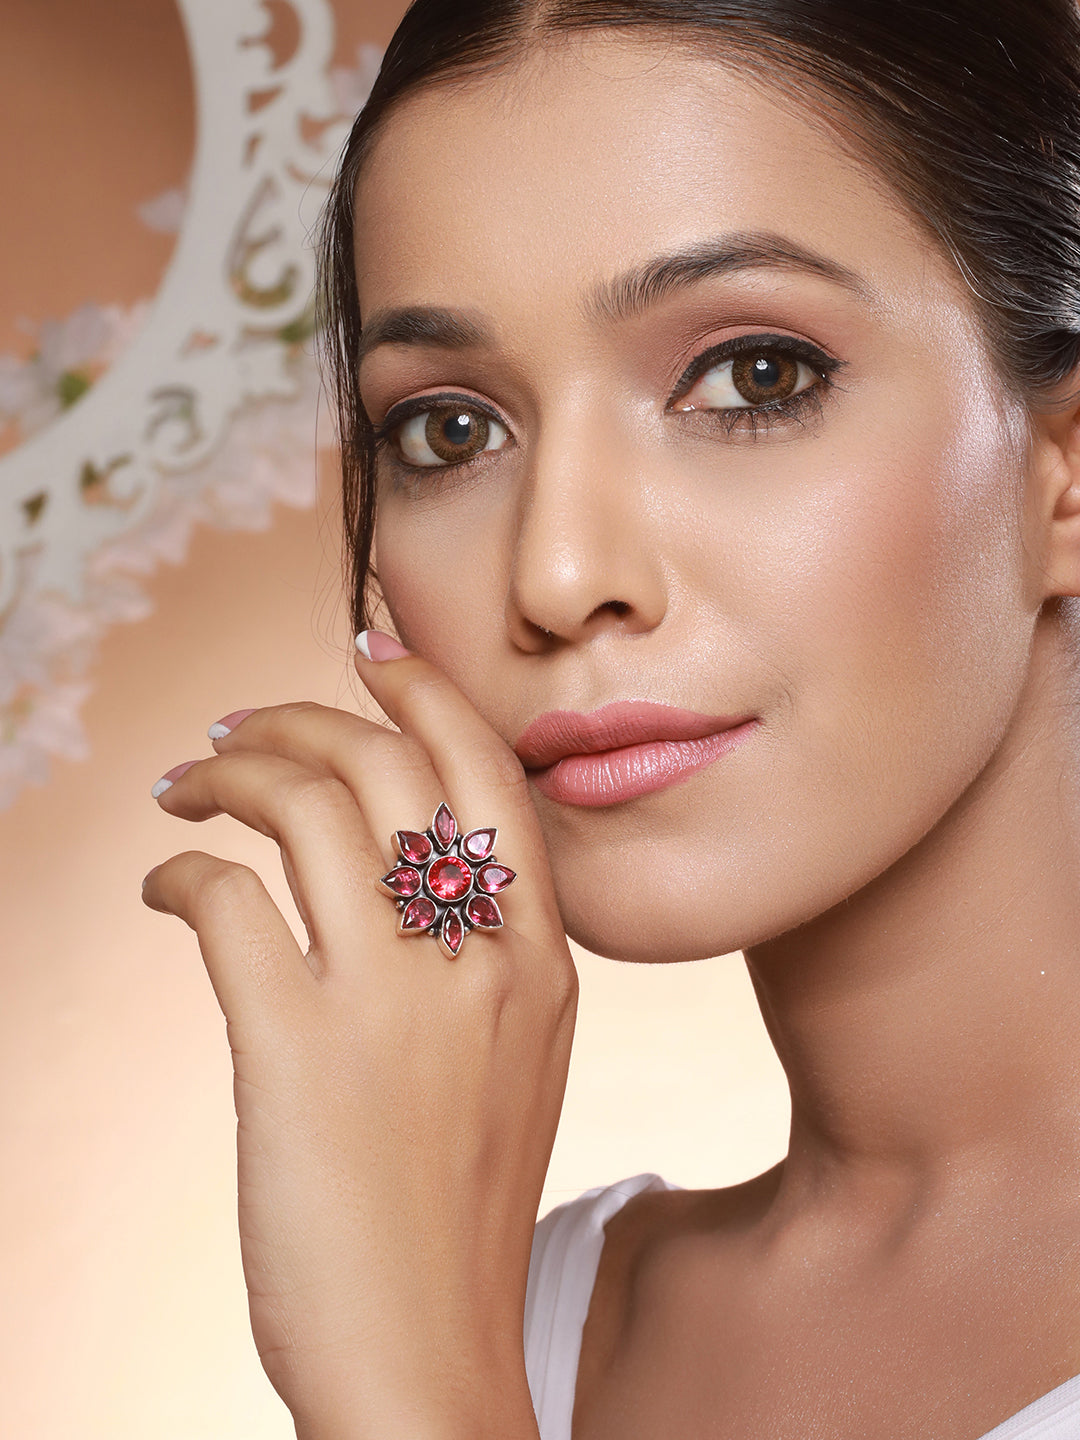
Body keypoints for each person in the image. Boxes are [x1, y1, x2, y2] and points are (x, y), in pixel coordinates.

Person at [141, 1, 1080, 1435]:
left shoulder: (429, 1351)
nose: (559, 574)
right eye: (450, 429)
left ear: (1062, 475)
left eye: (756, 375)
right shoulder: (517, 1311)